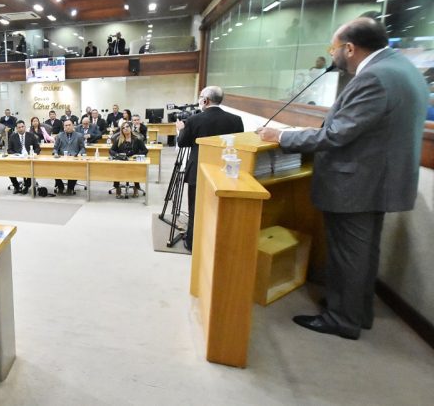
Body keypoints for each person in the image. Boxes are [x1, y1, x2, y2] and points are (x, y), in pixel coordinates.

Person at [257, 17, 427, 340]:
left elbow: (337, 135)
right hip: (378, 181)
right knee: (364, 253)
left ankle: (342, 319)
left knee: (348, 254)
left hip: (358, 184)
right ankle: (356, 311)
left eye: (332, 48)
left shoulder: (374, 78)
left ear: (349, 48)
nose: (331, 54)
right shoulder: (402, 69)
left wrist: (281, 137)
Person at [176, 86, 244, 252]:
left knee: (195, 207)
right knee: (219, 208)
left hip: (197, 171)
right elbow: (239, 144)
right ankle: (216, 242)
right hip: (225, 171)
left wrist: (180, 129)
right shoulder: (236, 119)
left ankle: (192, 242)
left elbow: (182, 143)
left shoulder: (194, 119)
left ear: (205, 100)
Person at [109, 121, 148, 198]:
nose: (125, 129)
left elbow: (145, 151)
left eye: (127, 127)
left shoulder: (137, 139)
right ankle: (118, 188)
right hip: (121, 161)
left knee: (135, 169)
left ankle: (136, 188)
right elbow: (111, 150)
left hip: (133, 162)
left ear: (131, 128)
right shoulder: (119, 139)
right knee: (116, 168)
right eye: (123, 128)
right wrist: (117, 155)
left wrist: (136, 156)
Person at [52, 119, 85, 195]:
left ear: (73, 126)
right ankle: (60, 186)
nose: (68, 127)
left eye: (69, 125)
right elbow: (55, 148)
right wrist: (55, 153)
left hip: (74, 158)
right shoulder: (60, 135)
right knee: (53, 169)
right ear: (64, 127)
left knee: (74, 171)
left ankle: (70, 188)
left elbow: (83, 148)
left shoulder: (79, 135)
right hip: (62, 158)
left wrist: (80, 154)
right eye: (66, 125)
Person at [7, 120, 40, 194]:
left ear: (25, 127)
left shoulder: (31, 135)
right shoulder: (13, 137)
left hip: (29, 158)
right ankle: (16, 186)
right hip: (18, 158)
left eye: (22, 127)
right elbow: (9, 150)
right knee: (9, 170)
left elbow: (38, 148)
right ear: (16, 128)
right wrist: (16, 155)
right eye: (19, 127)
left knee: (31, 170)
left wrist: (34, 153)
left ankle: (27, 186)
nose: (21, 129)